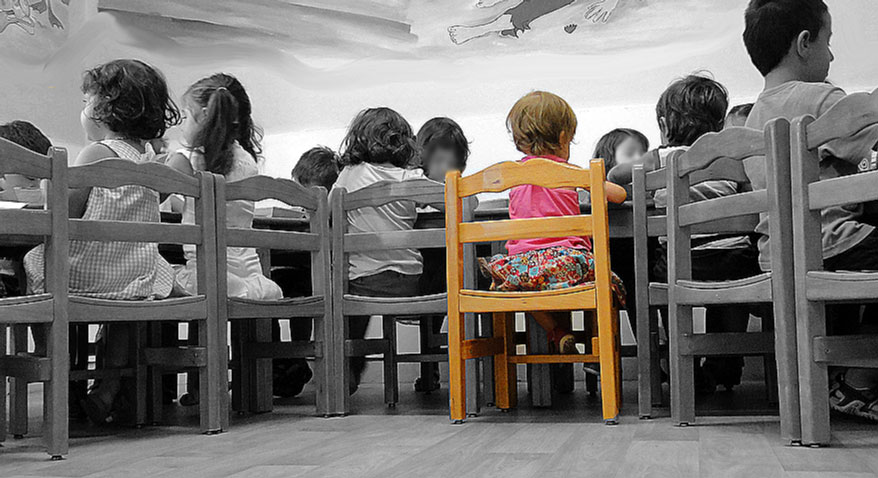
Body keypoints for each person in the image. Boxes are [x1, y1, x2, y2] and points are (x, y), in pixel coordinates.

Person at [742, 0, 878, 420]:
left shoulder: (750, 120)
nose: (832, 56)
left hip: (777, 253)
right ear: (804, 43)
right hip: (830, 242)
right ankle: (858, 380)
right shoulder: (822, 98)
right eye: (828, 41)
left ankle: (847, 375)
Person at [24, 59, 179, 424]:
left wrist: (49, 190)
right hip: (134, 279)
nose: (83, 109)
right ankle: (107, 388)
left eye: (85, 101)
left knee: (32, 260)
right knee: (124, 302)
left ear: (106, 107)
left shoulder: (96, 154)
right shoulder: (151, 162)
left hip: (83, 278)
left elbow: (64, 212)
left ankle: (55, 366)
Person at [610, 74, 762, 393]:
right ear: (719, 125)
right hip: (735, 260)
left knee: (665, 272)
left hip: (681, 265)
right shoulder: (732, 156)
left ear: (664, 126)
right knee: (731, 273)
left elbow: (615, 174)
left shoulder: (661, 159)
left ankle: (682, 361)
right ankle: (725, 359)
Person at [479, 91, 626, 357]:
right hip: (567, 265)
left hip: (524, 268)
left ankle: (555, 330)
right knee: (602, 278)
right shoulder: (571, 173)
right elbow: (619, 195)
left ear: (519, 140)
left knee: (518, 285)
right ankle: (597, 351)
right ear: (562, 138)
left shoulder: (510, 177)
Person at [166, 73, 283, 404]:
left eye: (186, 116)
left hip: (208, 277)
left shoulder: (186, 159)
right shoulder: (247, 161)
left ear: (204, 116)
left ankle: (160, 387)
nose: (182, 125)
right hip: (252, 278)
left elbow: (153, 198)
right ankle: (249, 393)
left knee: (152, 276)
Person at [333, 107, 430, 395]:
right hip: (408, 285)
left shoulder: (348, 177)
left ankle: (349, 365)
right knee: (438, 267)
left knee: (349, 285)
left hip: (363, 284)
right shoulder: (410, 178)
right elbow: (460, 203)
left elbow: (327, 212)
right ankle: (435, 366)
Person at [270, 146, 340, 398]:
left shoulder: (337, 215)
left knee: (300, 285)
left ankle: (293, 359)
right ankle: (285, 359)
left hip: (328, 278)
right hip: (303, 271)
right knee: (272, 284)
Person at [410, 117, 471, 392]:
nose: (444, 166)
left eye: (449, 161)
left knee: (440, 274)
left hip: (449, 271)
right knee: (433, 277)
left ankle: (432, 366)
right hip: (422, 272)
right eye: (438, 159)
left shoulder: (459, 190)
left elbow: (470, 204)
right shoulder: (411, 187)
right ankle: (430, 366)